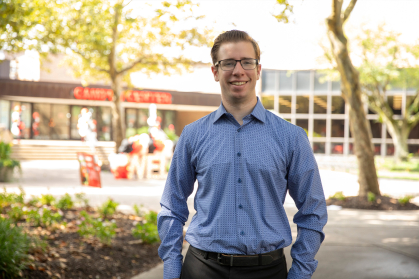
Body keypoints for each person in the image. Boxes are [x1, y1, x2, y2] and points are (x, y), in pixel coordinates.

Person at [157, 30, 327, 279]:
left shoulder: (291, 137)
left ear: (258, 70)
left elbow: (313, 210)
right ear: (215, 72)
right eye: (228, 63)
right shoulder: (192, 135)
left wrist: (300, 272)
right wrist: (172, 269)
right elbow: (172, 207)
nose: (238, 71)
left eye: (247, 62)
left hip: (268, 271)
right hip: (202, 269)